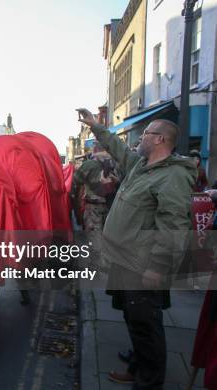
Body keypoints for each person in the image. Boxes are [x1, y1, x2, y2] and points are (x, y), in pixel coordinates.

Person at [77, 108, 196, 388]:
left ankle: (149, 382)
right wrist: (96, 126)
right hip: (125, 260)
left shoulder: (172, 177)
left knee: (146, 326)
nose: (140, 138)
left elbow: (174, 226)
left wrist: (158, 266)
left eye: (145, 134)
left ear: (160, 140)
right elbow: (117, 147)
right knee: (133, 319)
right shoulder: (141, 165)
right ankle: (137, 366)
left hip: (143, 265)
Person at [71, 143, 119, 270]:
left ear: (95, 149)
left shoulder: (90, 164)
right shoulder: (117, 162)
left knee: (94, 234)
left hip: (94, 206)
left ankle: (98, 266)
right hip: (114, 205)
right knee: (109, 234)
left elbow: (76, 181)